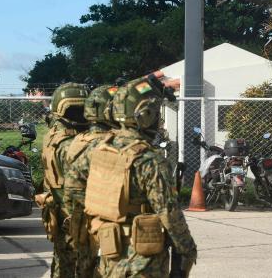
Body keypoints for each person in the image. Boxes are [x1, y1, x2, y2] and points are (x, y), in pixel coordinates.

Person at [79, 77, 197, 277]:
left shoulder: (97, 150)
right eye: (156, 113)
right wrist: (187, 248)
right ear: (146, 115)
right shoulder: (149, 159)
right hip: (143, 259)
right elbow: (168, 212)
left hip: (109, 252)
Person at [63, 84, 119, 277]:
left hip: (79, 217)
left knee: (83, 268)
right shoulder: (111, 144)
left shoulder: (77, 140)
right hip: (107, 221)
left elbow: (70, 187)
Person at [39, 82, 90, 277]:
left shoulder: (54, 134)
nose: (80, 115)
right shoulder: (71, 144)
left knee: (62, 261)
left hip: (59, 210)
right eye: (75, 110)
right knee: (75, 265)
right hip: (72, 214)